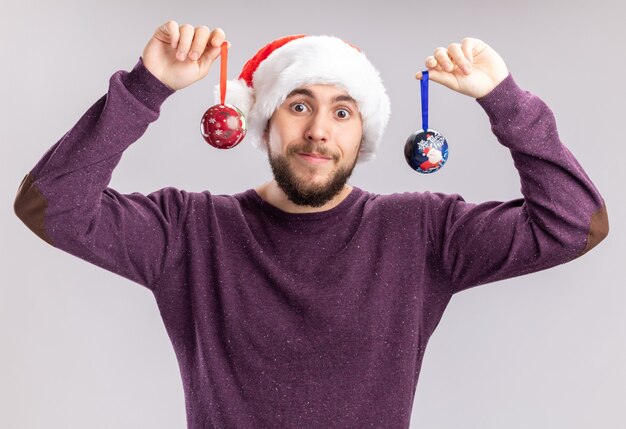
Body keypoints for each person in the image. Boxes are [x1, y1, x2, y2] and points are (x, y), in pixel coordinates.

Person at [14, 20, 608, 429]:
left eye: (342, 112)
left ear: (362, 134)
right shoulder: (189, 231)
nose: (319, 130)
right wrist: (146, 88)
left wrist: (504, 99)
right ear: (265, 122)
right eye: (299, 105)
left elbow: (573, 223)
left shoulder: (420, 232)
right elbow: (51, 205)